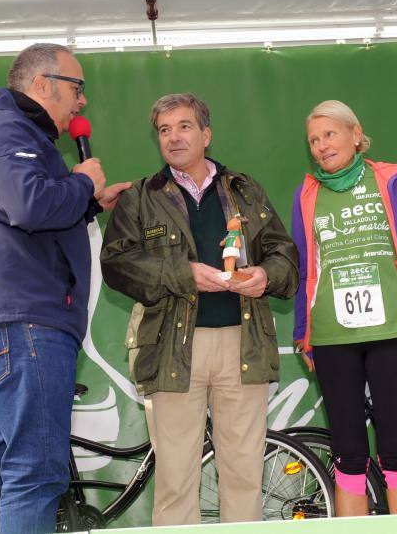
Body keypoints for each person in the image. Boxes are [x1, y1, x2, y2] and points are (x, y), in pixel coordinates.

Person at [0, 43, 130, 534]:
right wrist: (83, 184)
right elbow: (28, 205)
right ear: (43, 84)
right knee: (35, 473)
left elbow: (24, 214)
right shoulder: (8, 129)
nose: (83, 101)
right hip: (23, 325)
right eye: (77, 87)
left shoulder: (2, 131)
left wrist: (87, 202)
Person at [101, 93, 298, 525]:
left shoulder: (245, 190)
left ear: (206, 134)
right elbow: (117, 265)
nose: (173, 138)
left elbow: (284, 254)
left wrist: (266, 275)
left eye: (184, 126)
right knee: (175, 478)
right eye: (164, 130)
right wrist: (183, 273)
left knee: (245, 474)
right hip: (172, 349)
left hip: (243, 347)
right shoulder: (139, 197)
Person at [291, 100, 397, 516]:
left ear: (356, 134)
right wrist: (304, 334)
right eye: (314, 140)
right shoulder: (307, 194)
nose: (321, 146)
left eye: (330, 134)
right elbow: (306, 270)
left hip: (392, 332)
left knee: (396, 448)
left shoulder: (393, 181)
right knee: (348, 453)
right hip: (332, 338)